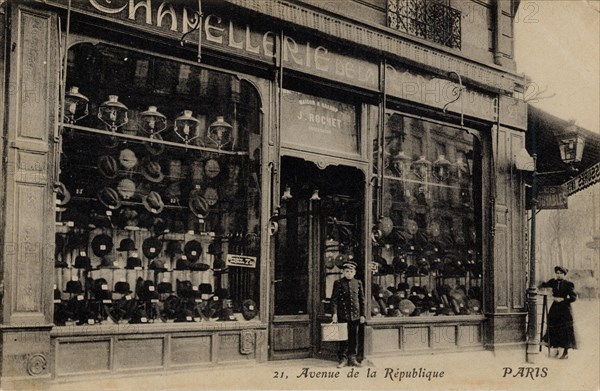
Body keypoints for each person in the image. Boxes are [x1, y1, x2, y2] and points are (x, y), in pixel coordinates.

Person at [331, 260, 365, 368]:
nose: (349, 273)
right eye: (347, 271)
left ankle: (353, 359)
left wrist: (362, 315)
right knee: (343, 339)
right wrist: (334, 314)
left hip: (355, 316)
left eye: (351, 271)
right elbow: (334, 300)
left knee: (353, 338)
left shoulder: (358, 283)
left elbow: (362, 300)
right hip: (342, 315)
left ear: (354, 272)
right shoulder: (338, 283)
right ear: (343, 272)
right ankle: (343, 359)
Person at [541, 266, 577, 359]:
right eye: (557, 273)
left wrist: (563, 300)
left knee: (564, 329)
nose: (558, 275)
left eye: (560, 273)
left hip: (564, 309)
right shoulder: (553, 282)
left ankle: (565, 352)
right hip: (555, 308)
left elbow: (573, 297)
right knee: (554, 327)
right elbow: (544, 285)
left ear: (564, 274)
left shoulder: (568, 284)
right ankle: (556, 349)